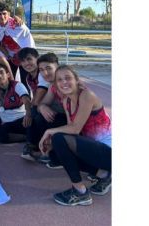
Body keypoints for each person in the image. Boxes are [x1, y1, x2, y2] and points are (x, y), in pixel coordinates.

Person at [39, 65, 112, 206]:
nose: (64, 82)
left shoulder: (86, 95)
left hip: (109, 152)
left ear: (76, 80)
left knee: (58, 138)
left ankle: (80, 192)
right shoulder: (66, 101)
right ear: (56, 84)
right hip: (95, 150)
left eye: (68, 78)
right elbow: (69, 129)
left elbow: (75, 128)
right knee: (55, 152)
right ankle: (104, 175)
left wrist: (48, 132)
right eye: (59, 80)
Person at [24, 52, 69, 165]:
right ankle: (36, 145)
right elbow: (41, 104)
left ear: (57, 67)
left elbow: (74, 119)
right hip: (63, 119)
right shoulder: (53, 85)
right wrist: (42, 107)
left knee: (40, 117)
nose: (45, 73)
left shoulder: (67, 84)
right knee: (38, 114)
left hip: (78, 125)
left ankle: (50, 150)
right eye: (42, 70)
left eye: (48, 68)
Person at [0, 2, 35, 87]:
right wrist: (8, 56)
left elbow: (27, 40)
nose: (2, 16)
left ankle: (26, 99)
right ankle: (12, 99)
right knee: (10, 80)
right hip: (10, 58)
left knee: (25, 80)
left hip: (23, 56)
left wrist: (22, 55)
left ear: (9, 14)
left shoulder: (18, 24)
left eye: (4, 13)